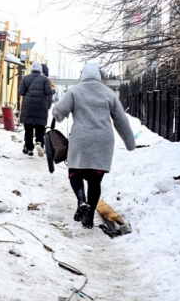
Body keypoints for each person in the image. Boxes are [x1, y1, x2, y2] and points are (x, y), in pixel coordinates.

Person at [52, 62, 135, 229]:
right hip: (103, 141)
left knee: (75, 173)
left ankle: (81, 200)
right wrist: (130, 143)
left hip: (81, 140)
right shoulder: (108, 93)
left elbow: (59, 114)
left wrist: (56, 110)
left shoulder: (75, 91)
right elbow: (121, 120)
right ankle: (88, 218)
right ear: (99, 75)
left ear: (83, 75)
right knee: (95, 180)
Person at [18, 61, 54, 156]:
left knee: (28, 128)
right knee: (40, 127)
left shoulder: (25, 78)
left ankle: (29, 148)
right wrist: (53, 90)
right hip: (40, 107)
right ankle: (39, 142)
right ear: (40, 69)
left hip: (28, 108)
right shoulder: (45, 79)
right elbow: (48, 92)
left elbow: (21, 92)